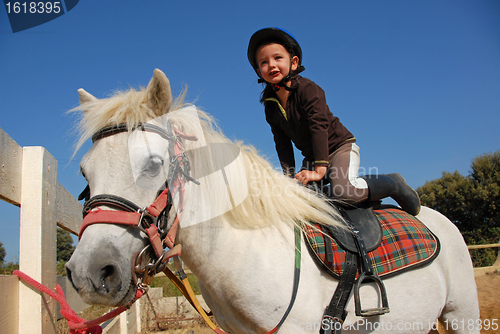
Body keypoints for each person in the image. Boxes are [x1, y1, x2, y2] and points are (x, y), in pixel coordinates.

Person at [247, 27, 420, 215]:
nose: (271, 65)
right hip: (313, 158)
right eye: (264, 62)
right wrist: (288, 178)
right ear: (258, 71)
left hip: (339, 148)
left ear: (294, 62)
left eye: (278, 58)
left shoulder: (308, 89)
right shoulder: (270, 106)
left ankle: (392, 183)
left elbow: (318, 127)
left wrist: (320, 170)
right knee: (297, 199)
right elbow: (282, 144)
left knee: (345, 192)